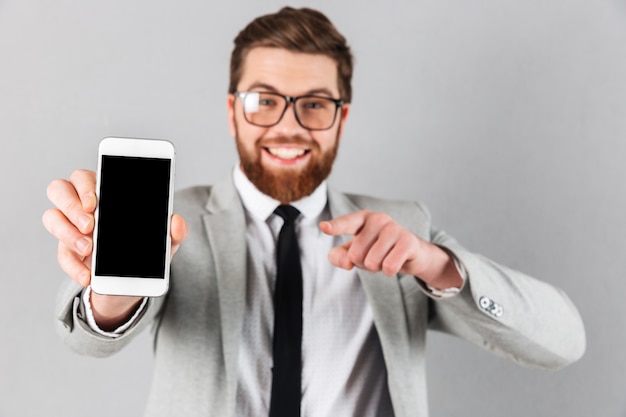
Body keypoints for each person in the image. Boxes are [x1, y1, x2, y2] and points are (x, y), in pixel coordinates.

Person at [43, 7, 586, 417]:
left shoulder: (400, 234)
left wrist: (436, 264)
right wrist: (114, 295)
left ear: (341, 119)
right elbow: (85, 338)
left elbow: (561, 342)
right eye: (263, 100)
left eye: (315, 104)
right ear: (233, 113)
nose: (289, 124)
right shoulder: (171, 221)